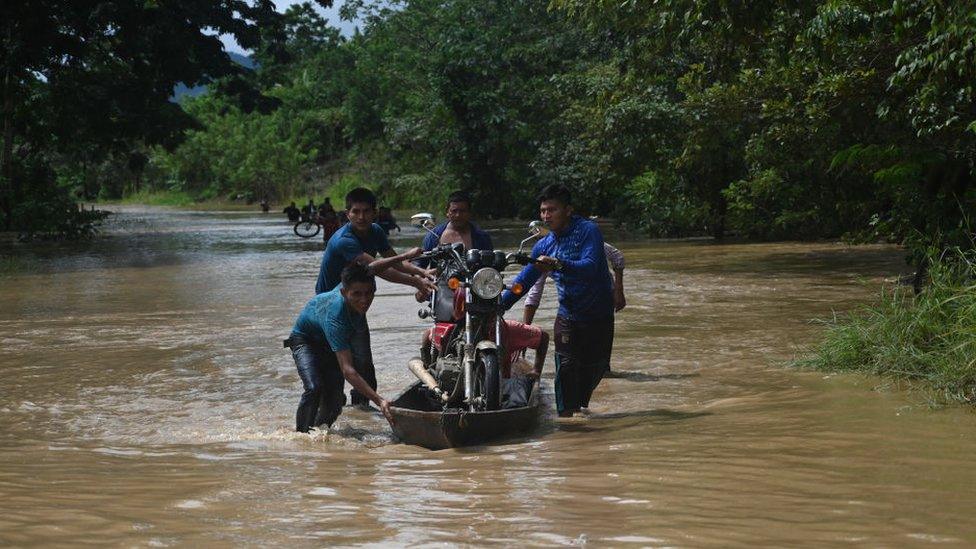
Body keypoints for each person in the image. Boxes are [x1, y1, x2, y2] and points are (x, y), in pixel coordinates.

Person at [315, 187, 436, 406]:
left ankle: (361, 412)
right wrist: (416, 281)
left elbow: (395, 261)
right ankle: (333, 412)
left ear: (375, 213)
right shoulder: (345, 240)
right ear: (347, 213)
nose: (361, 217)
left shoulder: (376, 231)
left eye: (366, 211)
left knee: (365, 366)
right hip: (328, 308)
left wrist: (422, 272)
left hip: (356, 303)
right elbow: (378, 268)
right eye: (356, 211)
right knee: (336, 368)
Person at [501, 184, 614, 417]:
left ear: (568, 210)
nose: (545, 216)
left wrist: (559, 264)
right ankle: (566, 421)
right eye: (542, 211)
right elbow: (524, 281)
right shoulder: (544, 244)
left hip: (599, 314)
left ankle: (579, 406)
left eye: (551, 210)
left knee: (597, 367)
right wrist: (498, 305)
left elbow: (591, 267)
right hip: (568, 315)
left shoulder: (588, 231)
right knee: (566, 367)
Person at [285, 263, 395, 432]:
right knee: (314, 388)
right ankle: (301, 435)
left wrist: (410, 264)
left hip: (330, 344)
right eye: (357, 294)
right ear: (344, 292)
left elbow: (371, 267)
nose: (364, 300)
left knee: (335, 404)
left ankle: (318, 433)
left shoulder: (352, 283)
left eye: (369, 293)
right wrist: (379, 401)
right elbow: (348, 370)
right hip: (305, 341)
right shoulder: (336, 316)